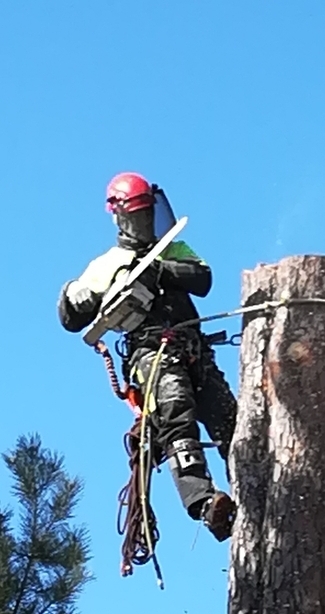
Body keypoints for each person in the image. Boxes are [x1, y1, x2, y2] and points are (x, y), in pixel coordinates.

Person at [57, 172, 236, 541]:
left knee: (229, 419)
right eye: (137, 217)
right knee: (175, 410)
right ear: (121, 217)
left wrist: (158, 269)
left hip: (193, 348)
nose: (144, 224)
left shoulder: (172, 248)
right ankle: (204, 502)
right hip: (152, 353)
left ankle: (253, 481)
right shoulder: (108, 264)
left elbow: (202, 279)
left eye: (147, 215)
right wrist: (80, 296)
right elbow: (71, 316)